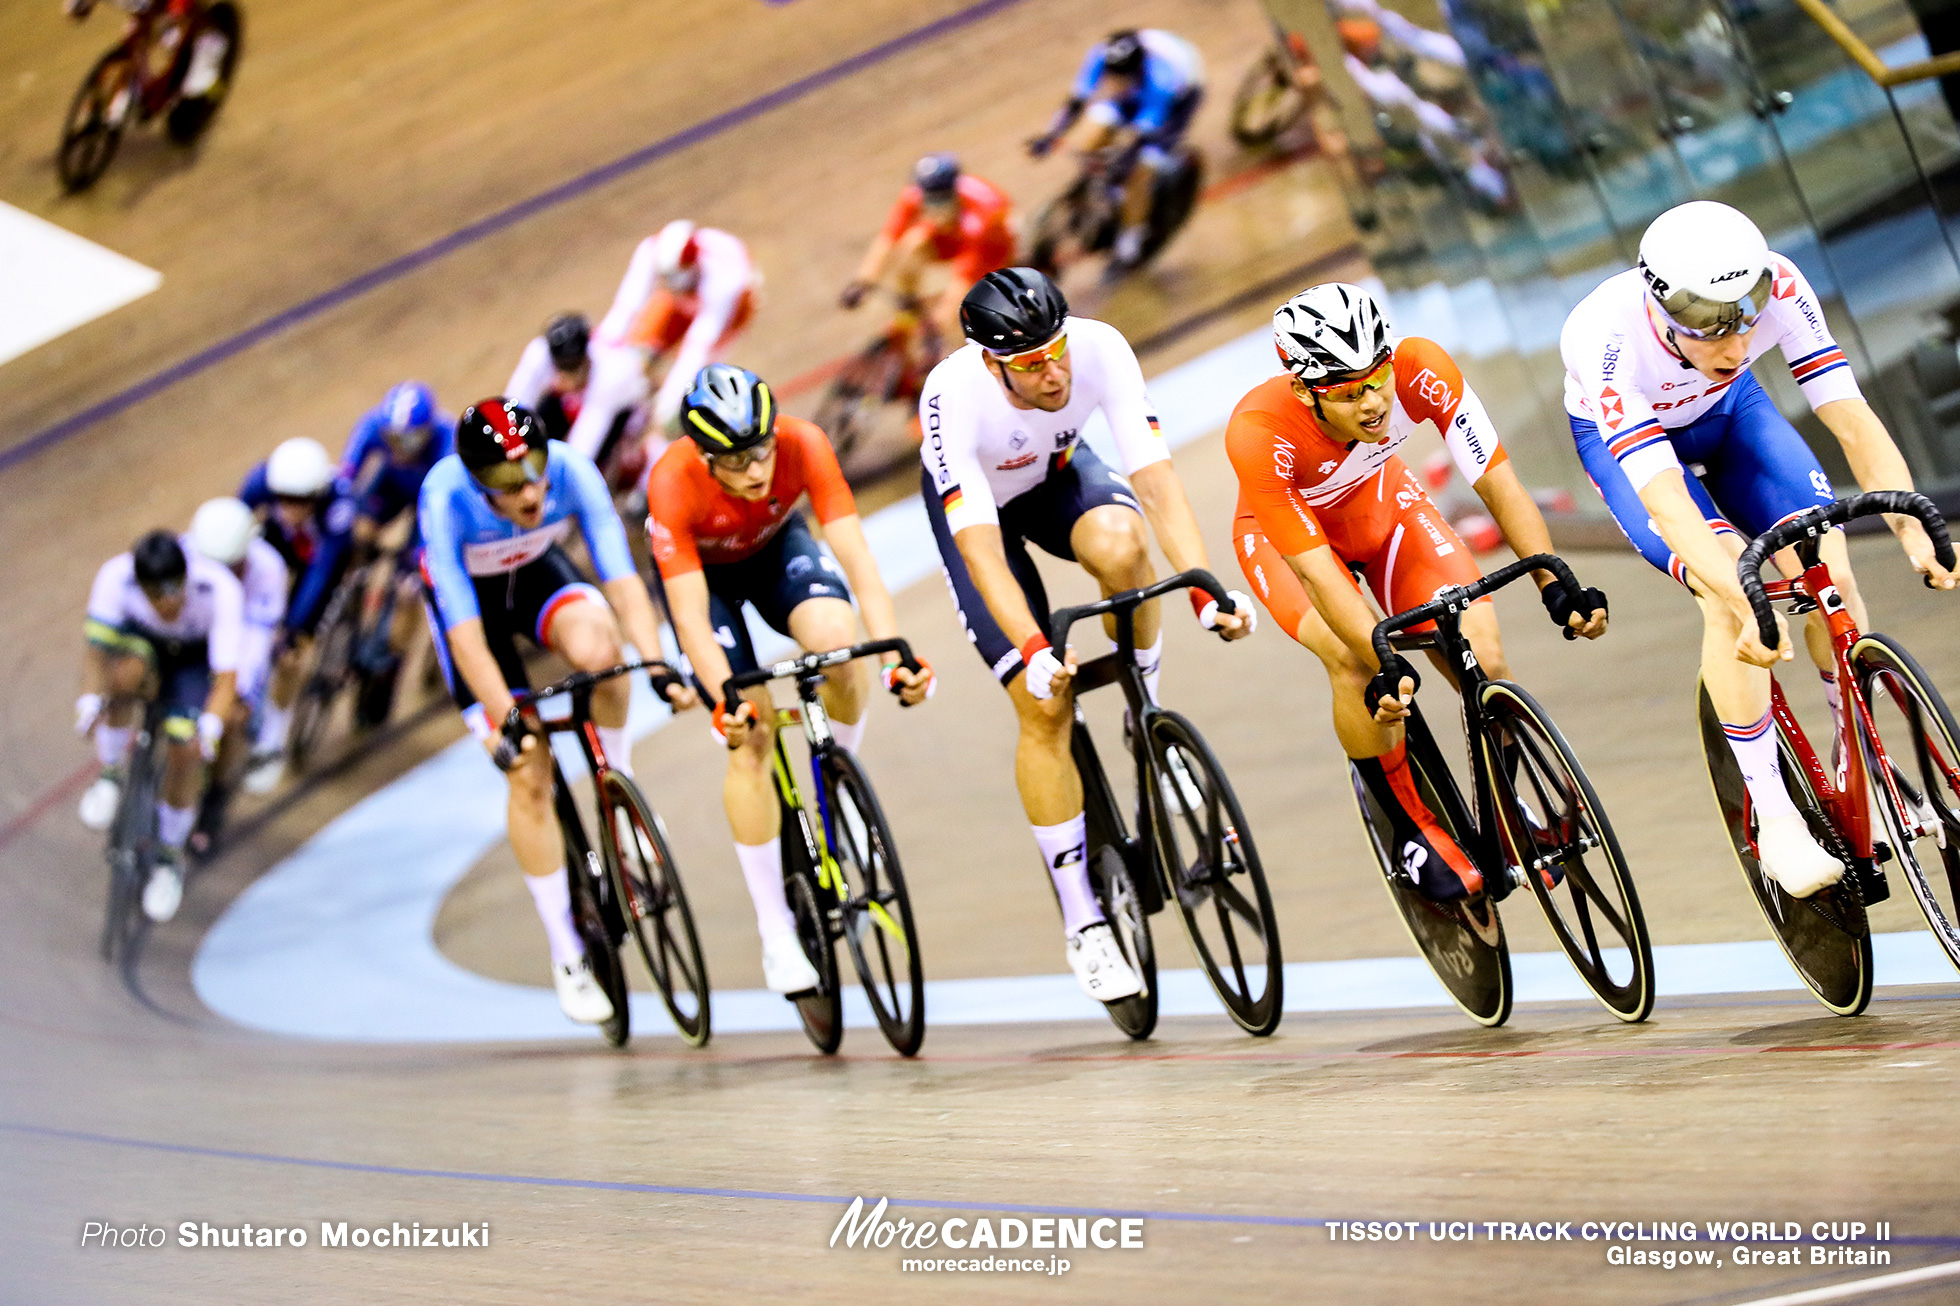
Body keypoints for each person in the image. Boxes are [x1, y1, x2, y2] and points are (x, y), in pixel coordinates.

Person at [1561, 200, 1956, 898]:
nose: (1737, 346)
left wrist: (1912, 530)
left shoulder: (1782, 285)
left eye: (1748, 318)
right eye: (1713, 330)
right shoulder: (1605, 337)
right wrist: (1743, 594)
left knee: (1825, 556)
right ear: (1663, 309)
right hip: (1634, 447)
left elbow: (1852, 421)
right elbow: (1668, 504)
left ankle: (1855, 745)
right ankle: (1773, 815)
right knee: (1726, 597)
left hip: (1732, 416)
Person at [920, 267, 1253, 1003]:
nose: (1054, 371)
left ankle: (1147, 724)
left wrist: (1203, 586)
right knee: (1043, 710)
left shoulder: (1100, 349)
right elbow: (978, 550)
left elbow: (1158, 481)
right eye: (1031, 364)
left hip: (1060, 476)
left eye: (1058, 350)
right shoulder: (952, 399)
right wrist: (1035, 653)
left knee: (1123, 546)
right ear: (992, 364)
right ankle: (1083, 923)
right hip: (984, 518)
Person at [1227, 283, 1608, 903]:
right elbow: (1319, 572)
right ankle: (1411, 828)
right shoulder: (1257, 431)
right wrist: (1385, 661)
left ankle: (1507, 805)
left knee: (1481, 651)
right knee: (1353, 661)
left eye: (1378, 377)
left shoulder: (1423, 367)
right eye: (1349, 392)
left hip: (1381, 506)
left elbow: (1498, 480)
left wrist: (1550, 578)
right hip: (1288, 541)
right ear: (1303, 389)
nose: (1374, 403)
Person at [647, 365, 934, 994]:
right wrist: (725, 699)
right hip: (708, 583)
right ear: (702, 455)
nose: (756, 471)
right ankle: (776, 934)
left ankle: (838, 789)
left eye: (763, 451)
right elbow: (690, 618)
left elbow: (859, 563)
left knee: (838, 643)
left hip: (777, 549)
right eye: (736, 460)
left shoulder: (805, 442)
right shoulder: (670, 481)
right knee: (749, 733)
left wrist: (895, 654)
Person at [420, 399, 692, 1025]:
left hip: (537, 574)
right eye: (506, 482)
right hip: (474, 614)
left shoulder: (571, 471)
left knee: (604, 652)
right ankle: (568, 952)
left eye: (534, 469)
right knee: (530, 768)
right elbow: (463, 635)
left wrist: (654, 663)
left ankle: (617, 800)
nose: (528, 489)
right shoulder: (444, 500)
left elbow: (621, 578)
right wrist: (505, 721)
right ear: (476, 480)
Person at [77, 530, 243, 922]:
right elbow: (95, 652)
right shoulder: (115, 577)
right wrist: (89, 700)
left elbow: (225, 679)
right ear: (141, 587)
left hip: (194, 661)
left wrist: (210, 731)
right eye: (158, 597)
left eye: (175, 593)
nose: (169, 603)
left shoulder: (220, 589)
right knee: (119, 678)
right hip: (144, 645)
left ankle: (169, 860)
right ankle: (111, 775)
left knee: (186, 750)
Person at [1027, 29, 1206, 270]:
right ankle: (1089, 189)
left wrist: (1124, 166)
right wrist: (1050, 135)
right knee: (1092, 137)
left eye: (1121, 78)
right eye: (1112, 77)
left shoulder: (1160, 81)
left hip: (1178, 98)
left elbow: (1143, 137)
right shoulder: (1101, 57)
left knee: (1141, 170)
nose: (1113, 83)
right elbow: (1075, 103)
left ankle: (1130, 237)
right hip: (1137, 91)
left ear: (1138, 72)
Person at [236, 436, 357, 791]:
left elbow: (321, 575)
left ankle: (274, 739)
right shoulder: (259, 482)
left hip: (322, 559)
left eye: (301, 500)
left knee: (291, 653)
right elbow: (236, 530)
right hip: (279, 543)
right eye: (283, 498)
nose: (290, 506)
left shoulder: (339, 506)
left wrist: (292, 629)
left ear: (318, 494)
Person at [335, 381, 453, 729]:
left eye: (411, 441)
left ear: (428, 432)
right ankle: (348, 598)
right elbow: (347, 475)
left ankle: (390, 661)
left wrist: (416, 563)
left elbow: (438, 518)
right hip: (390, 487)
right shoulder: (372, 426)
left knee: (409, 589)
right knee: (357, 531)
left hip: (427, 506)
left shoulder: (447, 446)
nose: (401, 448)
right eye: (394, 440)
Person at [183, 496, 287, 841]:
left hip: (238, 637)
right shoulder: (185, 553)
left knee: (233, 716)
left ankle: (215, 797)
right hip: (193, 631)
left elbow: (257, 640)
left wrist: (240, 691)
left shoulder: (268, 568)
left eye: (231, 567)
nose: (220, 577)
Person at [841, 153, 1017, 355]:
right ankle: (910, 310)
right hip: (950, 233)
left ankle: (974, 362)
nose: (931, 204)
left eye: (939, 199)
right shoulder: (914, 195)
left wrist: (943, 316)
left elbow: (961, 281)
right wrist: (863, 281)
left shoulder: (980, 218)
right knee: (914, 243)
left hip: (988, 248)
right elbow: (888, 239)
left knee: (951, 317)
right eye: (929, 198)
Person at [621, 220, 761, 433]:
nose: (667, 282)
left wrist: (667, 403)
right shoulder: (654, 249)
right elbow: (628, 305)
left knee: (689, 387)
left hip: (730, 313)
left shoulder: (724, 282)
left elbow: (695, 350)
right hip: (691, 295)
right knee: (637, 351)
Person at [505, 311, 655, 472]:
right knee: (535, 424)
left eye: (573, 367)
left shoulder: (611, 376)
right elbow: (509, 411)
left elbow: (582, 449)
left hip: (623, 411)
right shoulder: (539, 353)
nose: (564, 373)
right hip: (575, 400)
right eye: (561, 367)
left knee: (606, 465)